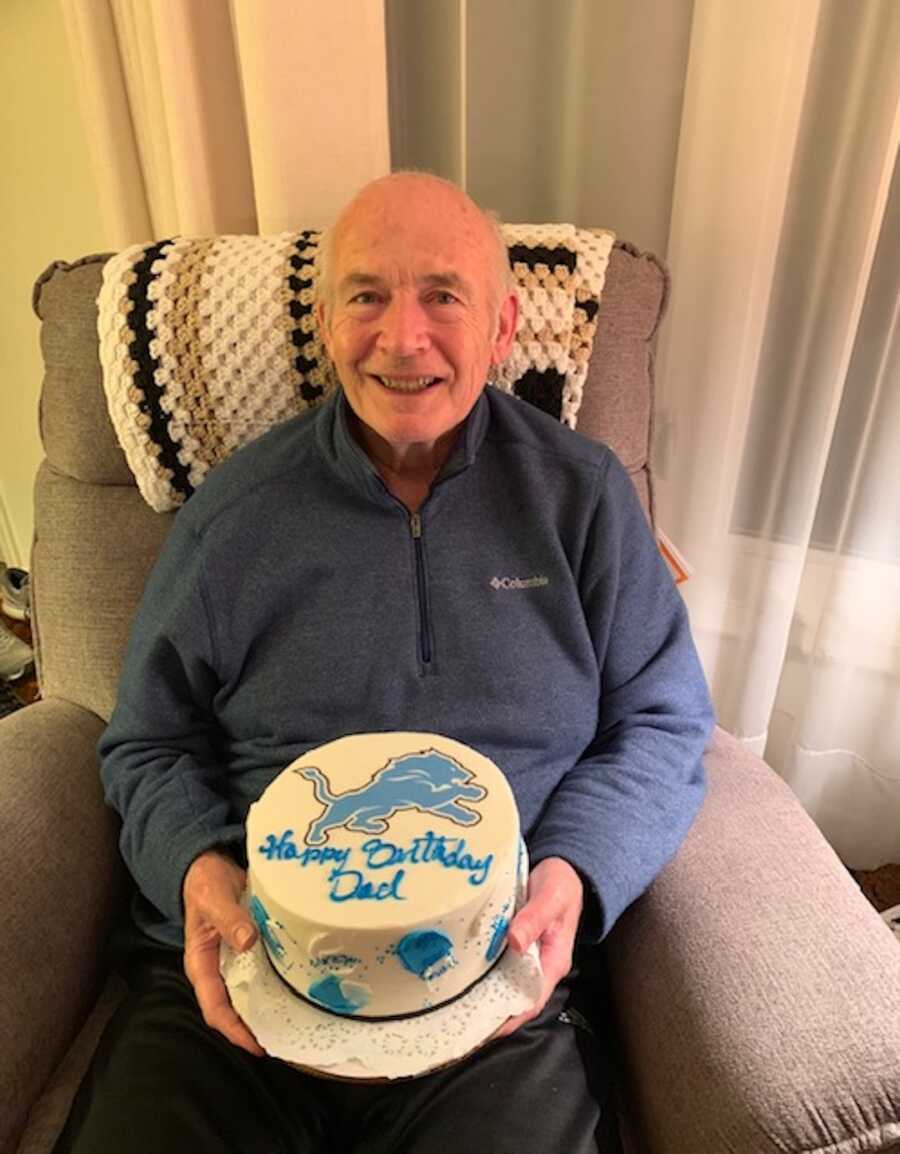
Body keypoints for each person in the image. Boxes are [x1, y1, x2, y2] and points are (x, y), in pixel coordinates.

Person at [54, 172, 714, 1153]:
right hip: (239, 994)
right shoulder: (235, 513)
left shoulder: (582, 497)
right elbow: (145, 738)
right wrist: (195, 872)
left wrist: (576, 869)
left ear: (501, 328)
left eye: (443, 294)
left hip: (490, 989)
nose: (402, 338)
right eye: (366, 294)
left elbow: (663, 720)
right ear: (325, 321)